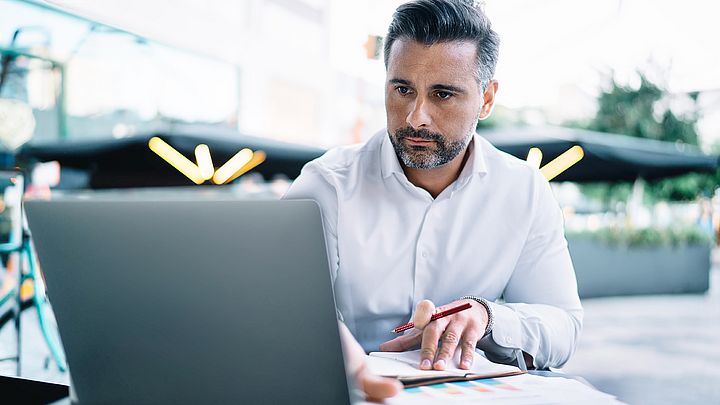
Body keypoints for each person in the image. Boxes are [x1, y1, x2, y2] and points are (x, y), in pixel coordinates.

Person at [284, 0, 583, 399]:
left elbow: (562, 326)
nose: (415, 117)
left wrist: (487, 315)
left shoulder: (525, 190)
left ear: (487, 99)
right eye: (403, 89)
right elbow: (285, 310)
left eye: (443, 94)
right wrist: (349, 364)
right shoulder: (326, 186)